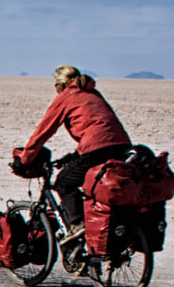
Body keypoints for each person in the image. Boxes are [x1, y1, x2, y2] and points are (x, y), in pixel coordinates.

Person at [13, 64, 132, 244]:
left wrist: (25, 159)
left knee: (64, 183)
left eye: (55, 85)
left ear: (61, 85)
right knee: (93, 185)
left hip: (96, 148)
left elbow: (43, 132)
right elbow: (98, 127)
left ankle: (78, 225)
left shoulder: (67, 97)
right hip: (121, 146)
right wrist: (73, 157)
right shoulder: (93, 93)